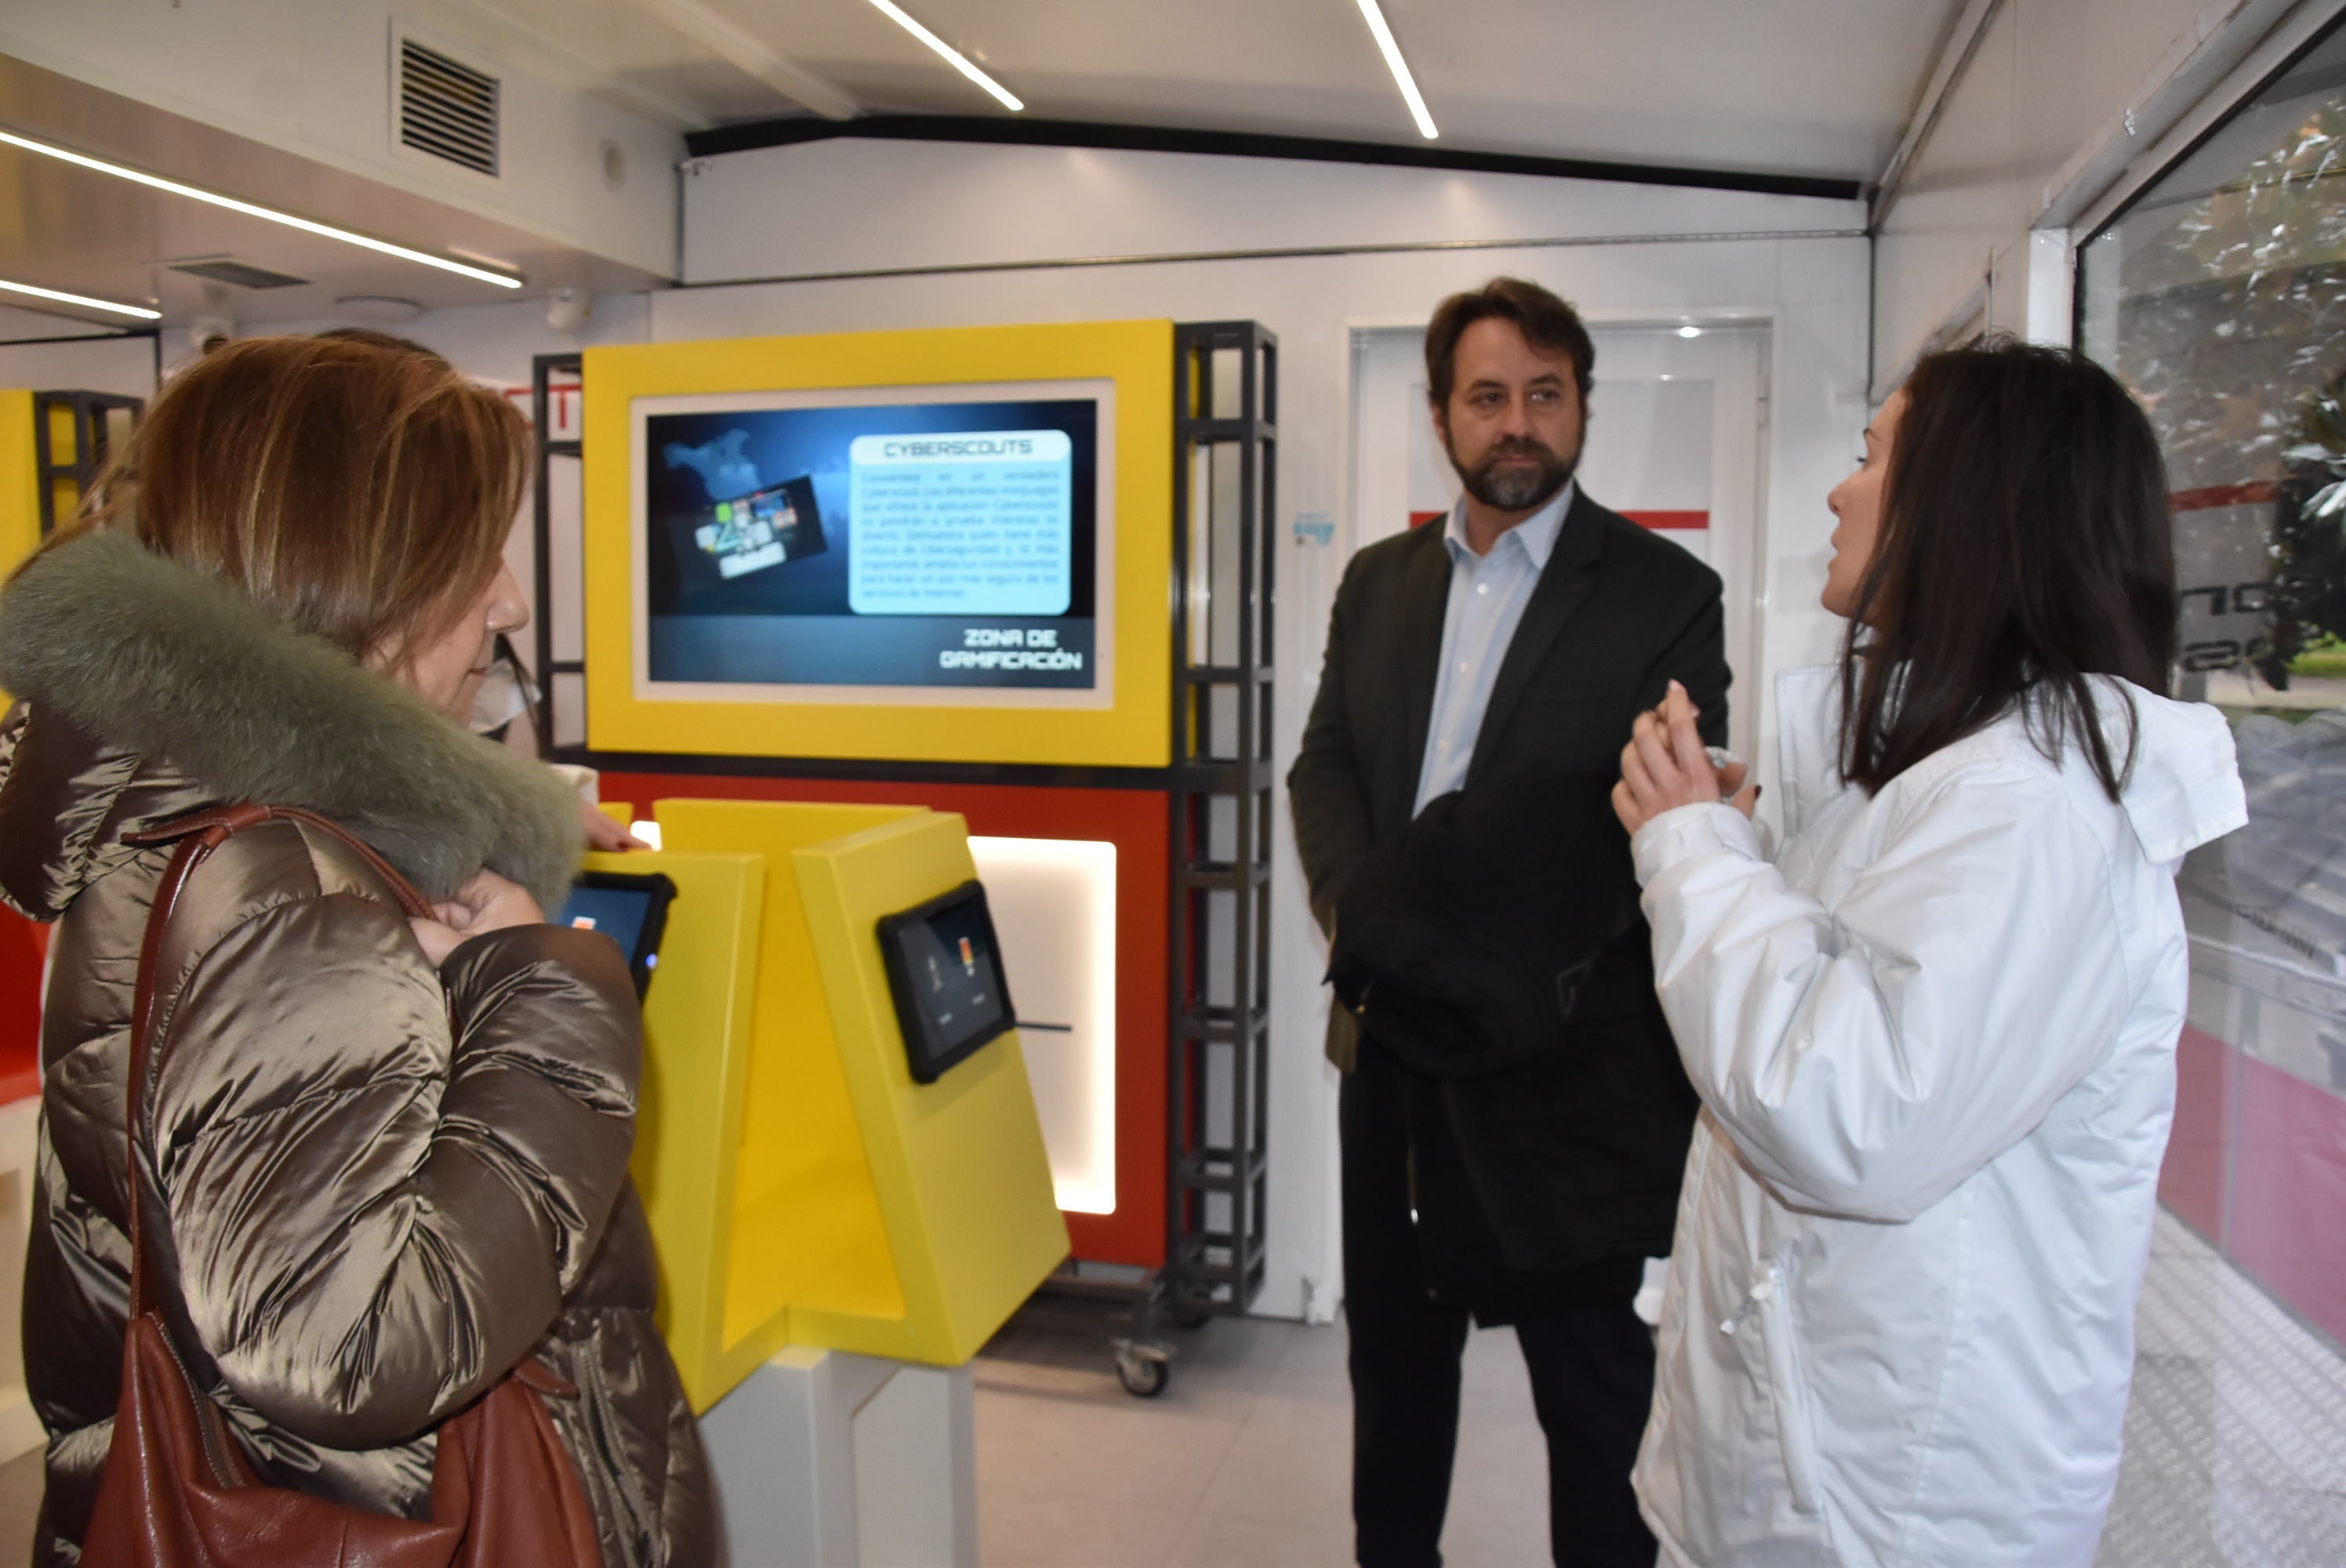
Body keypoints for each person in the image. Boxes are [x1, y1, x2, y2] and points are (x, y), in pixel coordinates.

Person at [0, 334, 715, 1566]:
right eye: (474, 558)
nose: (510, 602)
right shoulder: (280, 884)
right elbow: (348, 1347)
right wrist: (541, 993)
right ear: (359, 571)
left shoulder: (218, 826)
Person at [1613, 338, 2247, 1566]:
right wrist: (1743, 841)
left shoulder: (2038, 811)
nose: (1840, 492)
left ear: (1971, 500)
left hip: (1895, 1510)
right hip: (1821, 1462)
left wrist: (1692, 855)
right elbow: (1853, 985)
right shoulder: (1958, 770)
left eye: (1871, 459)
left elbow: (1849, 1113)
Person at [1290, 276, 1730, 1567]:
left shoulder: (1664, 593)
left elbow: (1641, 822)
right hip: (1391, 1040)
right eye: (1489, 397)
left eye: (1546, 394)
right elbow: (1325, 766)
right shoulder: (1377, 582)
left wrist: (1478, 962)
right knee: (1395, 1365)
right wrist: (1364, 922)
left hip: (1560, 1066)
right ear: (1441, 416)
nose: (1518, 424)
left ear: (1583, 406)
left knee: (1591, 1395)